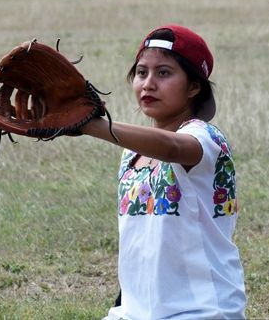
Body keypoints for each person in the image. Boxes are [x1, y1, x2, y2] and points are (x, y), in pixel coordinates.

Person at [81, 24, 247, 319]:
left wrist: (94, 126)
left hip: (202, 310)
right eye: (141, 72)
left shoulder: (206, 139)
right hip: (135, 311)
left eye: (164, 73)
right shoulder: (131, 152)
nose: (148, 83)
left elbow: (172, 148)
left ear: (194, 87)